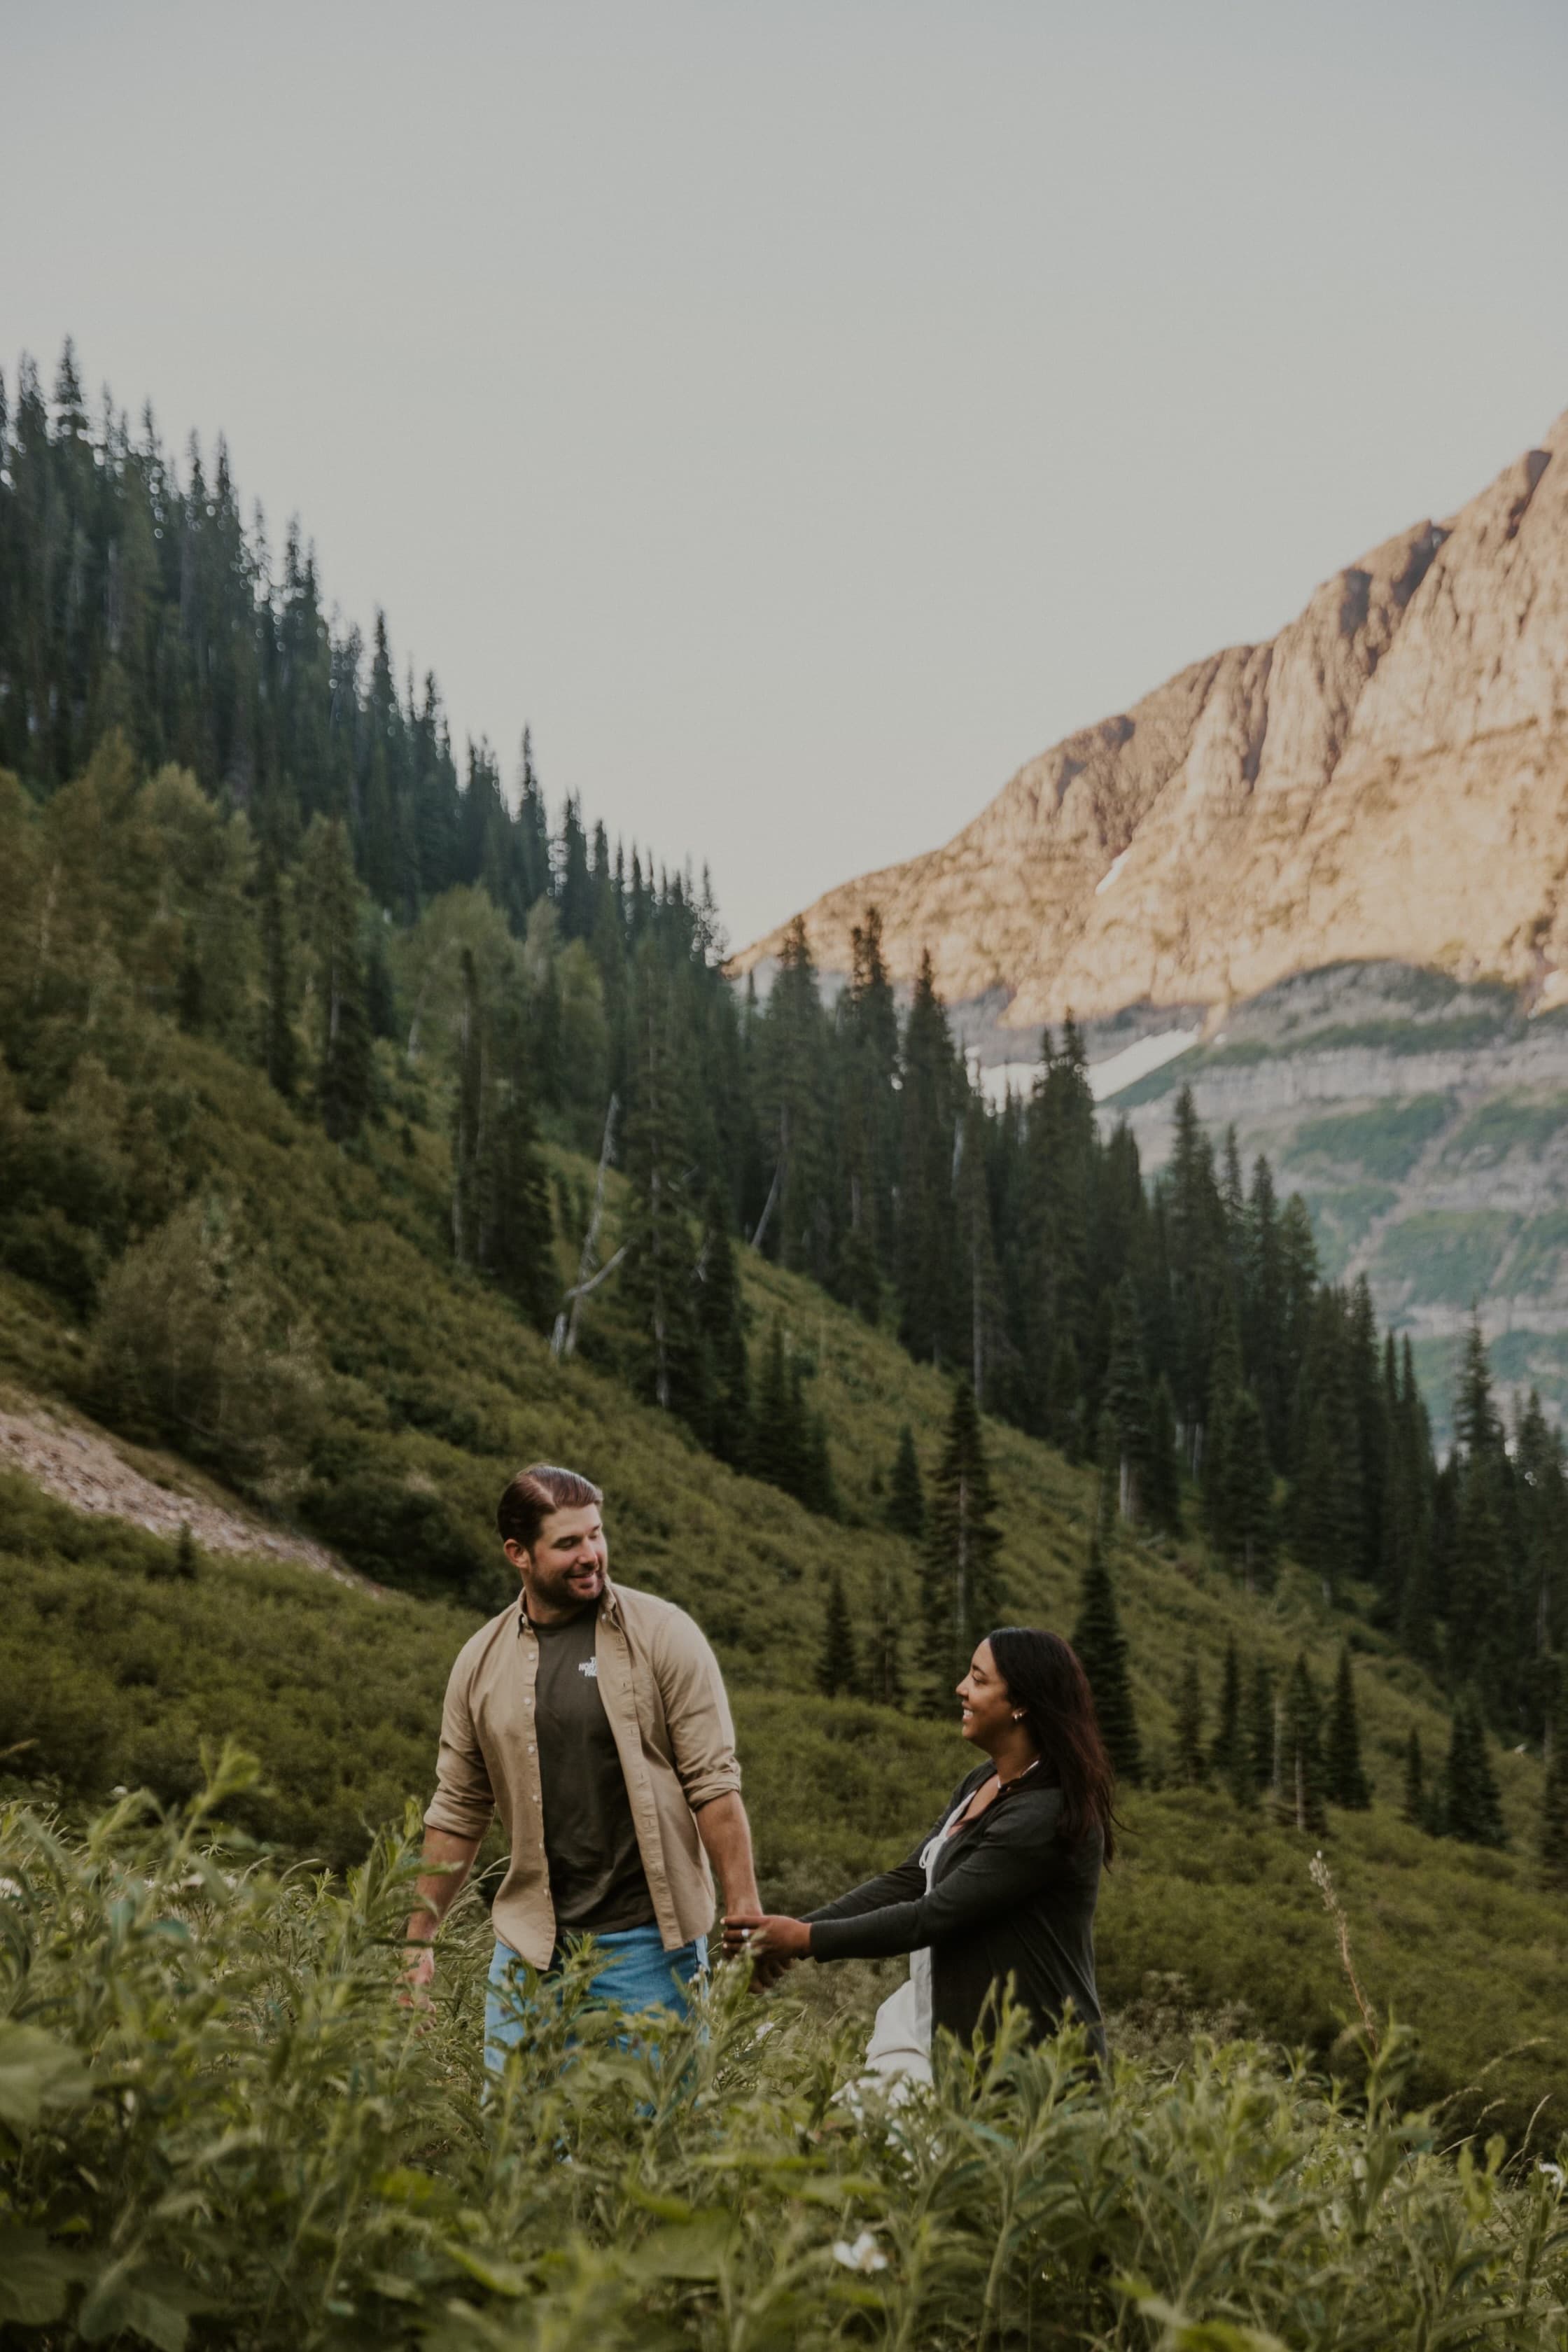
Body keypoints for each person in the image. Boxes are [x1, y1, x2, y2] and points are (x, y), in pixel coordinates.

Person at [405, 1462, 762, 2064]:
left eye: (596, 1534)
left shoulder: (666, 1636)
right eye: (568, 1543)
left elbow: (713, 1783)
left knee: (650, 2141)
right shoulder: (479, 1663)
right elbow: (458, 1810)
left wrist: (745, 1907)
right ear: (518, 1553)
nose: (591, 1554)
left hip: (651, 1945)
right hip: (530, 1950)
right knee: (518, 2142)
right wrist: (415, 1942)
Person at [724, 1627, 1112, 2081]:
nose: (961, 1689)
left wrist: (805, 1940)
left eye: (979, 1680)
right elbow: (910, 1879)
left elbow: (935, 1916)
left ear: (1021, 1703)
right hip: (953, 2034)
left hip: (1035, 2062)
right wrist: (797, 1932)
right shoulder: (983, 1782)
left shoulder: (1044, 1815)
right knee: (852, 2137)